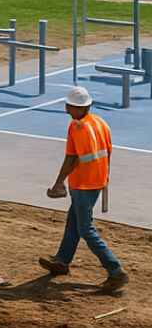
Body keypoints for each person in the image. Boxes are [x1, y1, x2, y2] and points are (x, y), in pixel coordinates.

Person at [40, 85, 128, 291]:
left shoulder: (77, 127)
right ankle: (62, 261)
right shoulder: (100, 122)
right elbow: (108, 151)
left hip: (83, 184)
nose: (66, 109)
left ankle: (115, 271)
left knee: (85, 229)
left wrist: (59, 182)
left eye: (69, 106)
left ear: (79, 108)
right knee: (74, 221)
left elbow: (72, 158)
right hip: (97, 181)